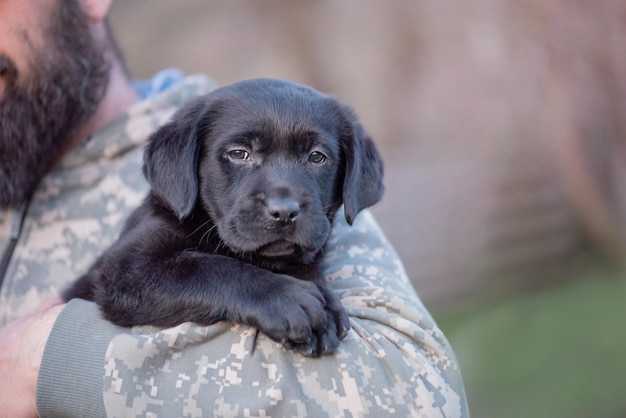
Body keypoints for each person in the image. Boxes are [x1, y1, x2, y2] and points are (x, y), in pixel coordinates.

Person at [0, 0, 469, 416]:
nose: (284, 198)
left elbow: (422, 401)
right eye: (241, 155)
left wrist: (45, 362)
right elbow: (126, 283)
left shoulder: (317, 221)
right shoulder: (178, 201)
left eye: (316, 157)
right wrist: (254, 291)